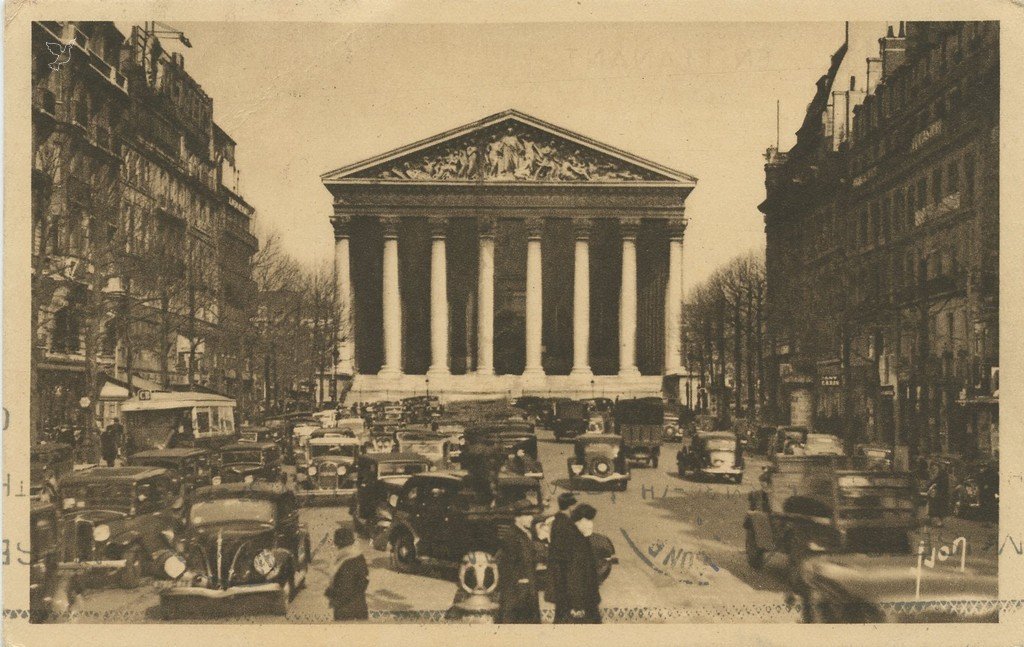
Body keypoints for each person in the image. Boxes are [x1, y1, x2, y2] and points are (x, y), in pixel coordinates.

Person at [495, 499, 541, 623]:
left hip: (528, 586)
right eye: (527, 515)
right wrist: (520, 579)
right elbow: (507, 564)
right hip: (517, 589)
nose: (531, 518)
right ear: (517, 518)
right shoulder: (511, 536)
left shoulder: (526, 533)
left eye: (531, 515)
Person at [565, 503, 601, 623]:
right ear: (577, 523)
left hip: (587, 600)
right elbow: (574, 576)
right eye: (586, 521)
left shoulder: (582, 540)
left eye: (591, 521)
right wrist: (577, 606)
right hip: (581, 605)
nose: (590, 525)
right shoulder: (575, 544)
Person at [324, 527, 369, 621]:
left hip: (347, 611)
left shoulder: (344, 561)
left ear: (338, 543)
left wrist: (329, 593)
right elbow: (363, 581)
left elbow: (345, 590)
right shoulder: (358, 556)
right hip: (360, 607)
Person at [547, 492, 578, 623]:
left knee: (562, 611)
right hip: (564, 575)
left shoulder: (558, 521)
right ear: (570, 507)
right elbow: (562, 552)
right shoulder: (564, 524)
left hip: (561, 573)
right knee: (564, 612)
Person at [927, 461, 950, 527]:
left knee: (940, 506)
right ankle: (937, 521)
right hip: (938, 492)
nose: (934, 470)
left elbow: (942, 484)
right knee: (935, 504)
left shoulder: (943, 474)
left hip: (942, 492)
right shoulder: (935, 474)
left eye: (935, 468)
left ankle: (939, 521)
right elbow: (931, 482)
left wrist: (934, 485)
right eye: (933, 468)